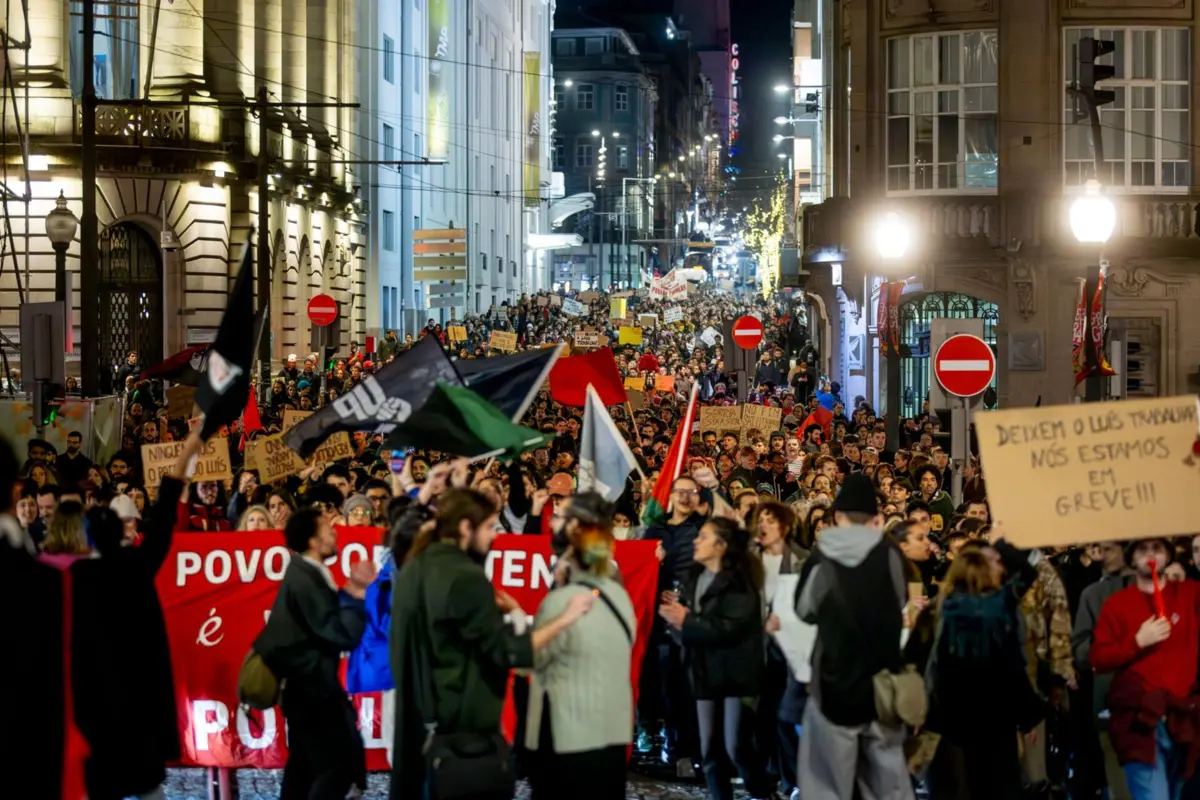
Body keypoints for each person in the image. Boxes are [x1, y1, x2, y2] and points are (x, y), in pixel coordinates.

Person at [388, 489, 595, 799]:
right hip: (463, 738)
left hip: (428, 730)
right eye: (488, 527)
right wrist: (566, 618)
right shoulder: (465, 577)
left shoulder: (417, 565)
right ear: (464, 528)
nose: (495, 536)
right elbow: (508, 650)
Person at [71, 431, 202, 800]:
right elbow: (164, 509)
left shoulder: (75, 579)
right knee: (149, 789)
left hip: (95, 712)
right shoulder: (138, 565)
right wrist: (190, 447)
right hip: (140, 707)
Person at [794, 472, 912, 800]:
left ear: (838, 516)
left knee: (829, 782)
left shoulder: (821, 555)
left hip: (834, 680)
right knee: (886, 781)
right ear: (876, 517)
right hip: (882, 681)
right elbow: (901, 599)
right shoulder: (889, 553)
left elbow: (804, 610)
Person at [255, 507, 378, 799]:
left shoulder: (307, 574)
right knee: (336, 769)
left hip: (305, 690)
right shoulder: (305, 578)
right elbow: (340, 633)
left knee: (303, 769)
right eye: (327, 529)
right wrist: (358, 595)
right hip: (312, 692)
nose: (335, 532)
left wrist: (349, 593)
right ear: (313, 541)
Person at [526, 492, 636, 800]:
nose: (551, 520)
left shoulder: (566, 600)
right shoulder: (619, 595)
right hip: (609, 735)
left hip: (569, 738)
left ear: (575, 529)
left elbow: (529, 658)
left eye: (559, 516)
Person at [659, 517, 773, 800]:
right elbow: (686, 619)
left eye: (704, 537)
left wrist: (686, 621)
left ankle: (762, 793)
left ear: (721, 546)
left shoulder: (740, 582)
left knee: (736, 747)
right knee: (709, 750)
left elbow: (729, 628)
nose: (696, 541)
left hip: (736, 674)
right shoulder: (694, 576)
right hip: (703, 671)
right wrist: (675, 624)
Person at [1091, 538, 1200, 800]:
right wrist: (1137, 641)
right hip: (1140, 725)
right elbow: (1098, 659)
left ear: (1169, 555)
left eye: (1157, 548)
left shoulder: (1191, 593)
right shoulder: (1117, 604)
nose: (1150, 554)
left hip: (1186, 721)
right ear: (1131, 557)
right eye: (1142, 549)